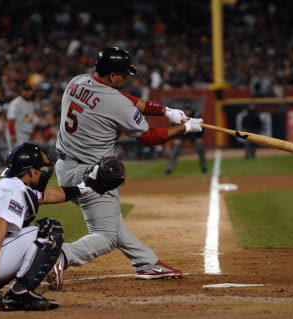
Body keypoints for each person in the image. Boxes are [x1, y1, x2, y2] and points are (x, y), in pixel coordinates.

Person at [50, 47, 203, 290]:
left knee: (111, 222)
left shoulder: (77, 81)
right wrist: (187, 128)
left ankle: (147, 263)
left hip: (65, 166)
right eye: (123, 75)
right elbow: (150, 137)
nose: (126, 78)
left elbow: (122, 99)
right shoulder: (115, 102)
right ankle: (59, 257)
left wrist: (166, 111)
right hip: (93, 175)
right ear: (113, 77)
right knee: (107, 236)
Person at [0, 142, 108, 311]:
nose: (42, 173)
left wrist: (87, 187)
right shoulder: (14, 189)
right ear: (30, 170)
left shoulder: (9, 185)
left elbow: (48, 196)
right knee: (50, 230)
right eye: (40, 169)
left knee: (26, 244)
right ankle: (20, 292)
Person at [165, 103, 208, 175]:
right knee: (175, 150)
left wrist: (200, 137)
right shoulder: (179, 115)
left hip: (194, 134)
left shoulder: (196, 115)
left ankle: (204, 168)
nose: (188, 111)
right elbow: (174, 127)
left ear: (192, 109)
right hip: (182, 134)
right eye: (186, 109)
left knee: (200, 149)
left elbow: (202, 126)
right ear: (184, 109)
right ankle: (169, 169)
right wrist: (176, 138)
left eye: (189, 109)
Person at [5, 84, 38, 149]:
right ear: (21, 91)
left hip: (26, 133)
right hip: (17, 132)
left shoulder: (31, 103)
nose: (27, 92)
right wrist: (12, 134)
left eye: (29, 90)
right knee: (17, 156)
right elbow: (11, 120)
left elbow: (30, 120)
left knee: (24, 156)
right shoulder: (16, 103)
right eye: (25, 90)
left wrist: (33, 131)